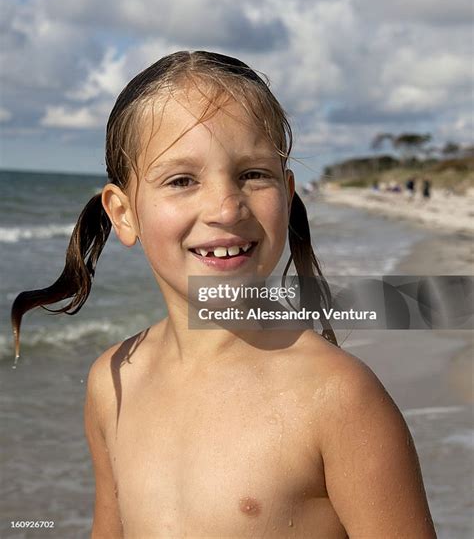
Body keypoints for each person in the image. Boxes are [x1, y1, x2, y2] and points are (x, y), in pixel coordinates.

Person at [11, 51, 436, 538]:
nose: (226, 208)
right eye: (182, 180)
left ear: (287, 190)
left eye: (253, 173)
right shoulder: (113, 383)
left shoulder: (337, 396)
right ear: (124, 213)